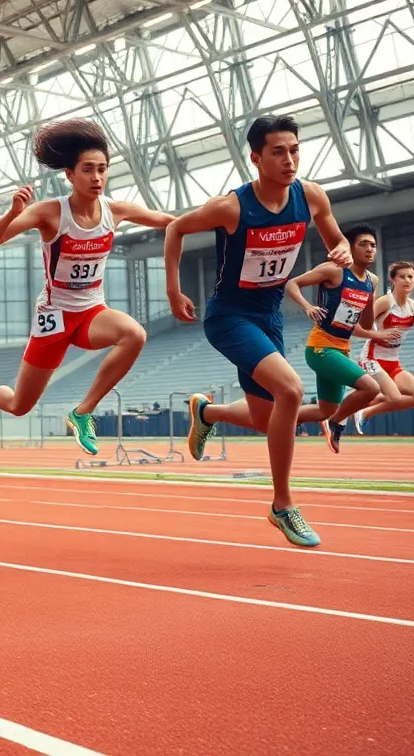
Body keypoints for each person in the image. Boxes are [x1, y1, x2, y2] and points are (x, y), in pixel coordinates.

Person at [163, 114, 352, 547]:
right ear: (256, 158)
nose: (289, 160)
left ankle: (206, 413)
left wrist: (340, 248)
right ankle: (282, 505)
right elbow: (175, 228)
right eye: (278, 152)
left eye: (295, 150)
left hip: (270, 315)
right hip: (230, 316)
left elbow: (335, 240)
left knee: (270, 422)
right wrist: (174, 291)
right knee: (290, 391)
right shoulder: (231, 206)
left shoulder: (312, 197)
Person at [0, 119, 175, 455]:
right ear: (70, 175)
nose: (97, 177)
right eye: (88, 170)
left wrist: (224, 218)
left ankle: (83, 411)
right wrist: (12, 212)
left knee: (135, 334)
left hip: (91, 312)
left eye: (102, 169)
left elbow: (169, 222)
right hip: (54, 317)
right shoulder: (49, 213)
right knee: (19, 405)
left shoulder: (115, 211)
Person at [284, 223, 401, 454]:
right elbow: (292, 284)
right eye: (363, 244)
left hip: (342, 349)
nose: (370, 249)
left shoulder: (372, 281)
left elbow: (365, 323)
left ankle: (273, 419)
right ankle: (337, 422)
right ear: (350, 247)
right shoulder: (334, 270)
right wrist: (307, 306)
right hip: (321, 348)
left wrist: (374, 313)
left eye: (373, 245)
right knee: (371, 388)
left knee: (324, 410)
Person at [351, 260, 414, 433]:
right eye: (402, 277)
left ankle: (365, 409)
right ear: (393, 280)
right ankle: (364, 407)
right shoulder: (385, 303)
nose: (407, 281)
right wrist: (379, 334)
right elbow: (356, 327)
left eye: (410, 277)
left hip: (393, 363)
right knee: (394, 397)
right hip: (371, 358)